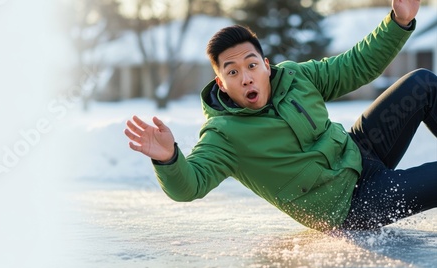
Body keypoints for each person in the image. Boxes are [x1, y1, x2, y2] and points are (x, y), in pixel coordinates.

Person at [124, 0, 437, 231]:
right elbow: (189, 186)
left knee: (422, 83)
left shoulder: (294, 77)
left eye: (251, 65)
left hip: (359, 151)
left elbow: (356, 65)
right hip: (352, 205)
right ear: (221, 82)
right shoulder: (223, 135)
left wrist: (398, 22)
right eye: (232, 72)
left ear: (265, 64)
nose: (246, 77)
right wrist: (168, 160)